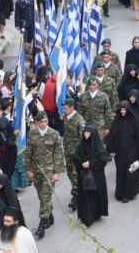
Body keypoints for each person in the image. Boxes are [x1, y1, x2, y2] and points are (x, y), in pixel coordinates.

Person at [25, 111, 65, 239]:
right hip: (36, 171)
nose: (43, 124)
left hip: (49, 171)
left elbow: (58, 154)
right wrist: (28, 170)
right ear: (36, 122)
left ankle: (41, 225)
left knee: (46, 195)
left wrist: (57, 172)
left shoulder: (54, 134)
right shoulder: (32, 134)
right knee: (41, 195)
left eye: (45, 121)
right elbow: (28, 154)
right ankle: (50, 216)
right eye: (41, 122)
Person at [106, 101, 139, 203]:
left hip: (132, 150)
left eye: (125, 109)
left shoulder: (134, 120)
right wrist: (112, 150)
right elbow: (111, 137)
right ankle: (120, 193)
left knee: (130, 172)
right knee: (121, 172)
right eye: (121, 110)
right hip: (119, 152)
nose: (123, 112)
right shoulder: (116, 121)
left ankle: (128, 194)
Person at [73, 125, 110, 227]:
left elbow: (103, 159)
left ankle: (96, 214)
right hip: (84, 175)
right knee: (86, 198)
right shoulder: (82, 145)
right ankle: (87, 218)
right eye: (85, 132)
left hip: (96, 176)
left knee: (95, 196)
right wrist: (81, 163)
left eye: (88, 133)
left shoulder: (98, 145)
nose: (86, 135)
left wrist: (90, 163)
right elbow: (76, 157)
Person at [62, 98, 85, 212]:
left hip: (76, 153)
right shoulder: (66, 118)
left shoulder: (79, 120)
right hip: (68, 151)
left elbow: (83, 139)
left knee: (76, 174)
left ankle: (76, 197)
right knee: (70, 174)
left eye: (66, 108)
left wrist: (80, 153)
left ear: (72, 108)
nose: (64, 110)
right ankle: (77, 192)